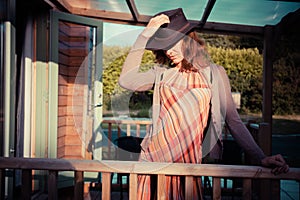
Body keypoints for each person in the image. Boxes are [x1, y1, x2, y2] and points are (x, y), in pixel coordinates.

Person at [118, 8, 289, 200]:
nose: (169, 51)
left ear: (189, 40)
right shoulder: (161, 74)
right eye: (164, 45)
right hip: (153, 161)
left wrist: (260, 157)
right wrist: (145, 35)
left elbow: (233, 121)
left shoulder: (214, 74)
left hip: (189, 164)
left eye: (174, 42)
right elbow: (127, 80)